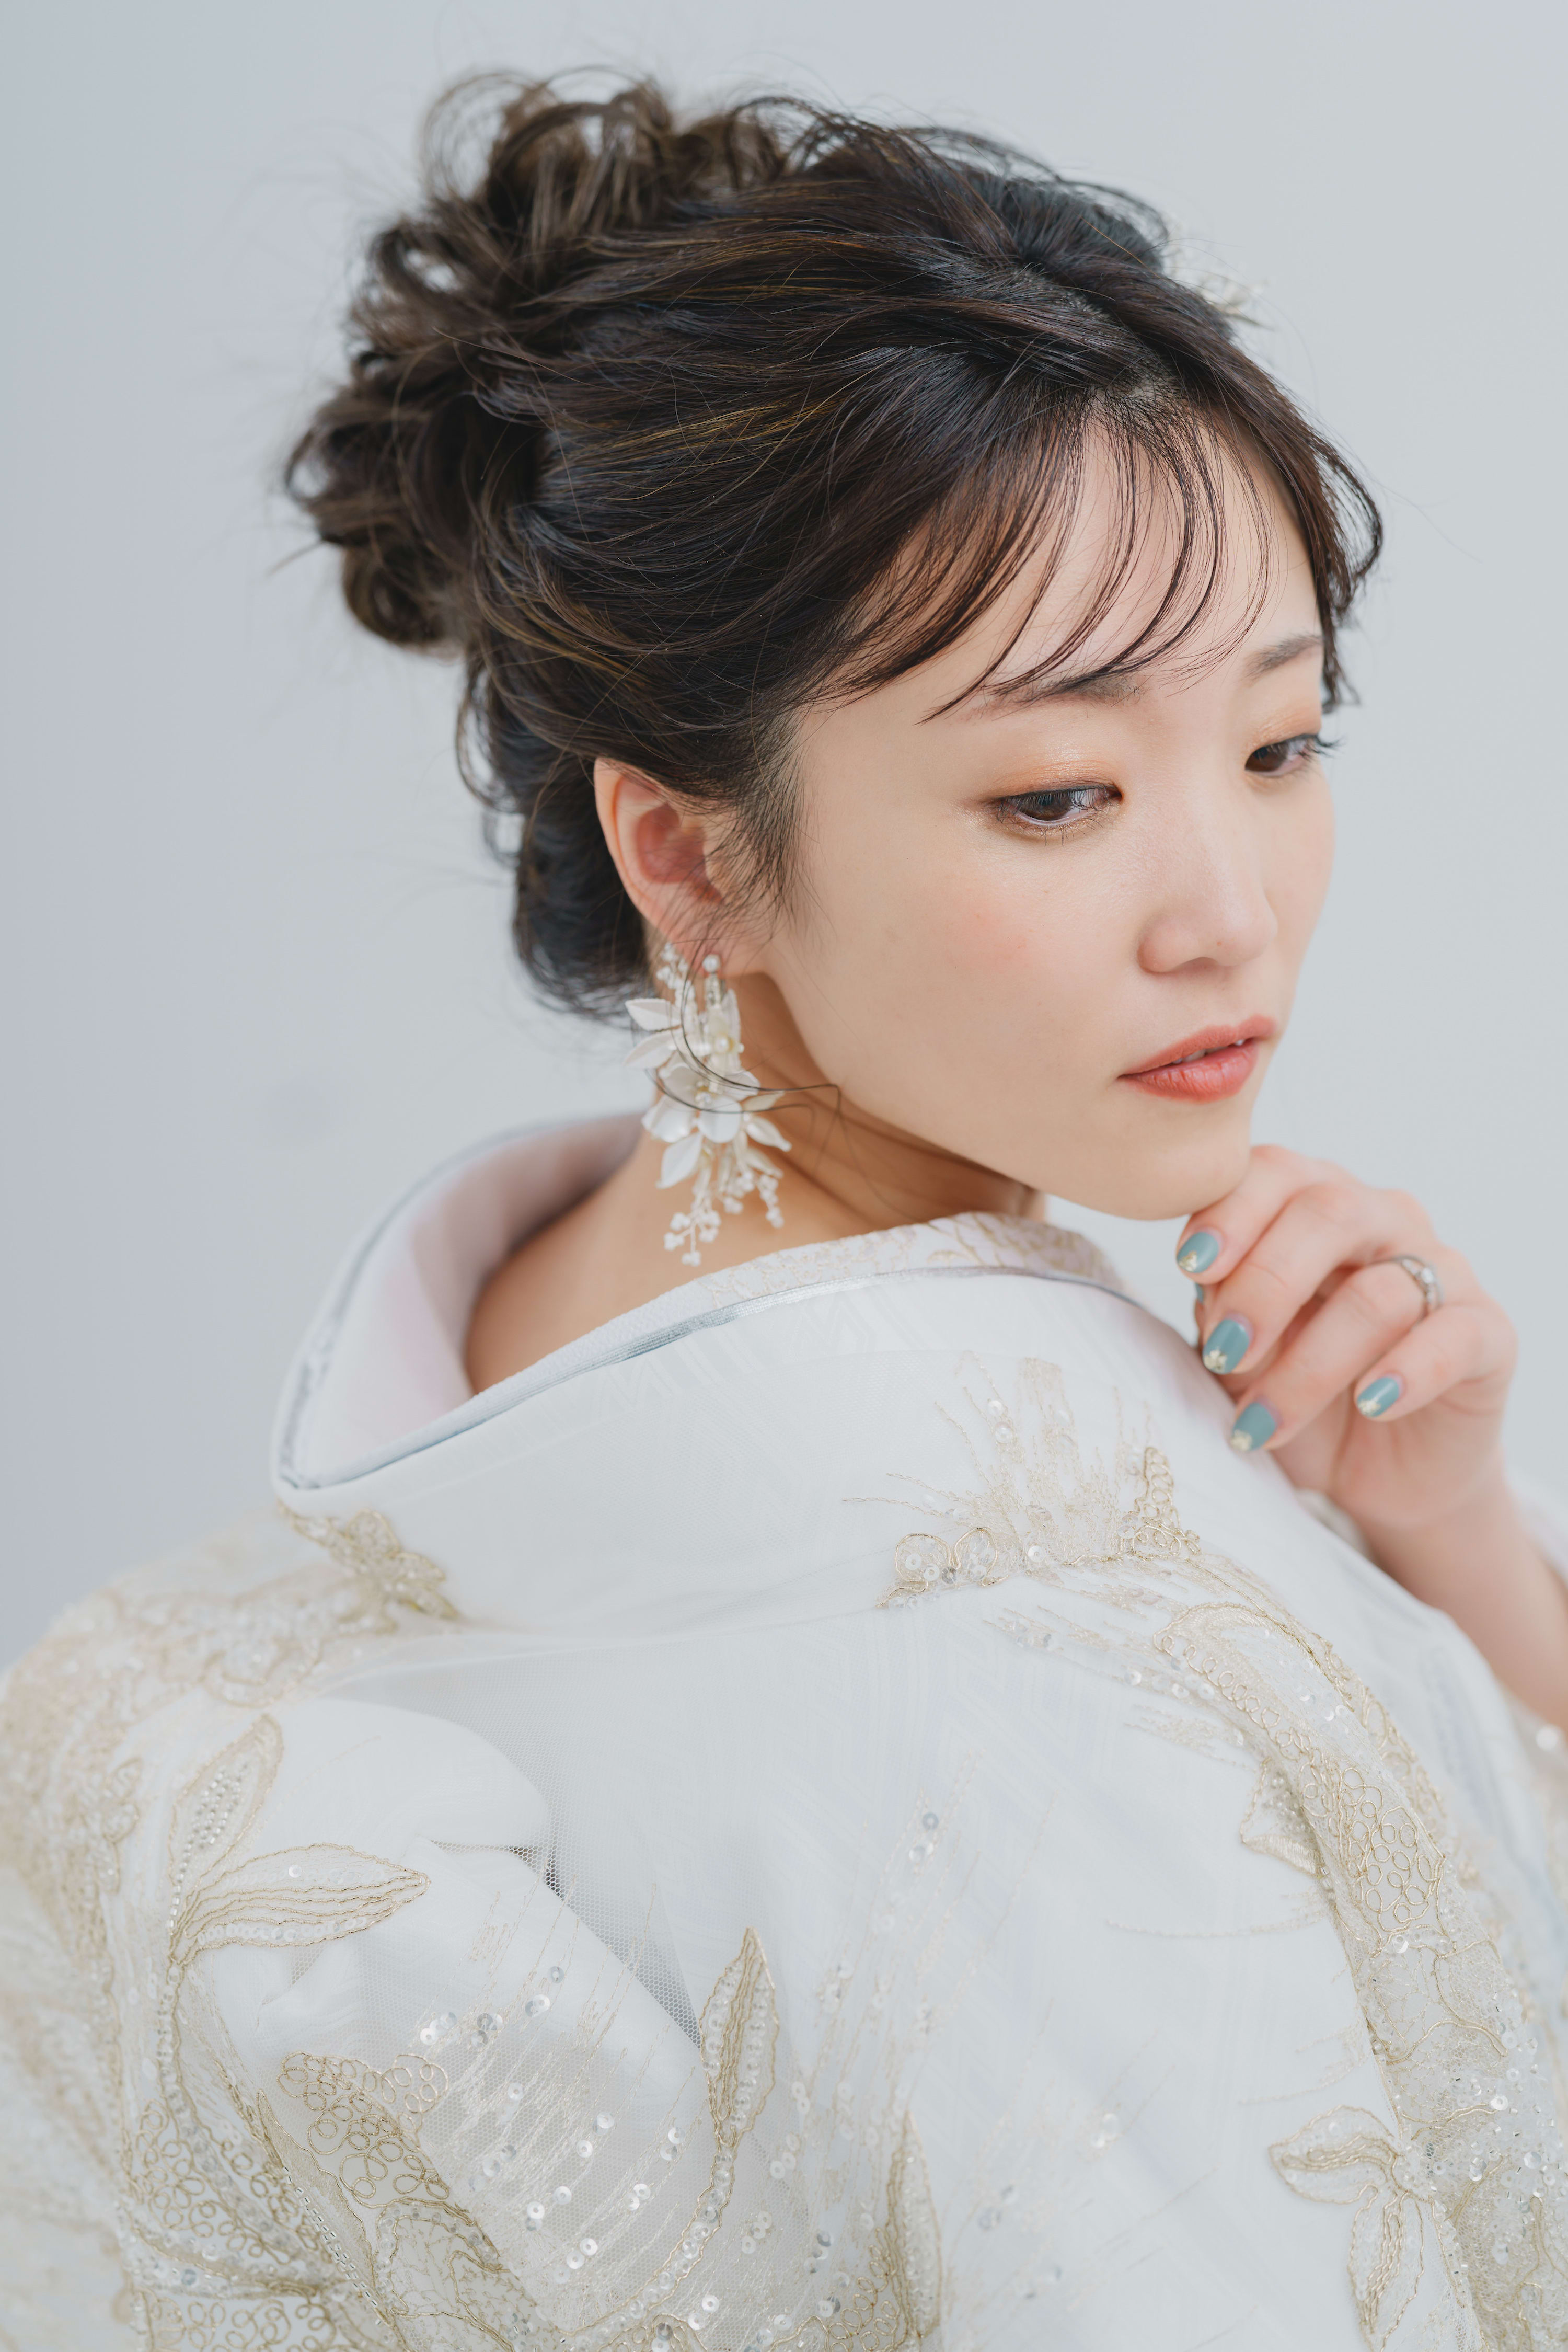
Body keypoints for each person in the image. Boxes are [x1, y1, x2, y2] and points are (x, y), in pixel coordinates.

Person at [4, 78, 1565, 2352]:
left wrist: (1446, 1536)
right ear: (690, 852)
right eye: (1061, 795)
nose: (1229, 911)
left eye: (1279, 744)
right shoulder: (1032, 1651)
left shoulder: (494, 1362)